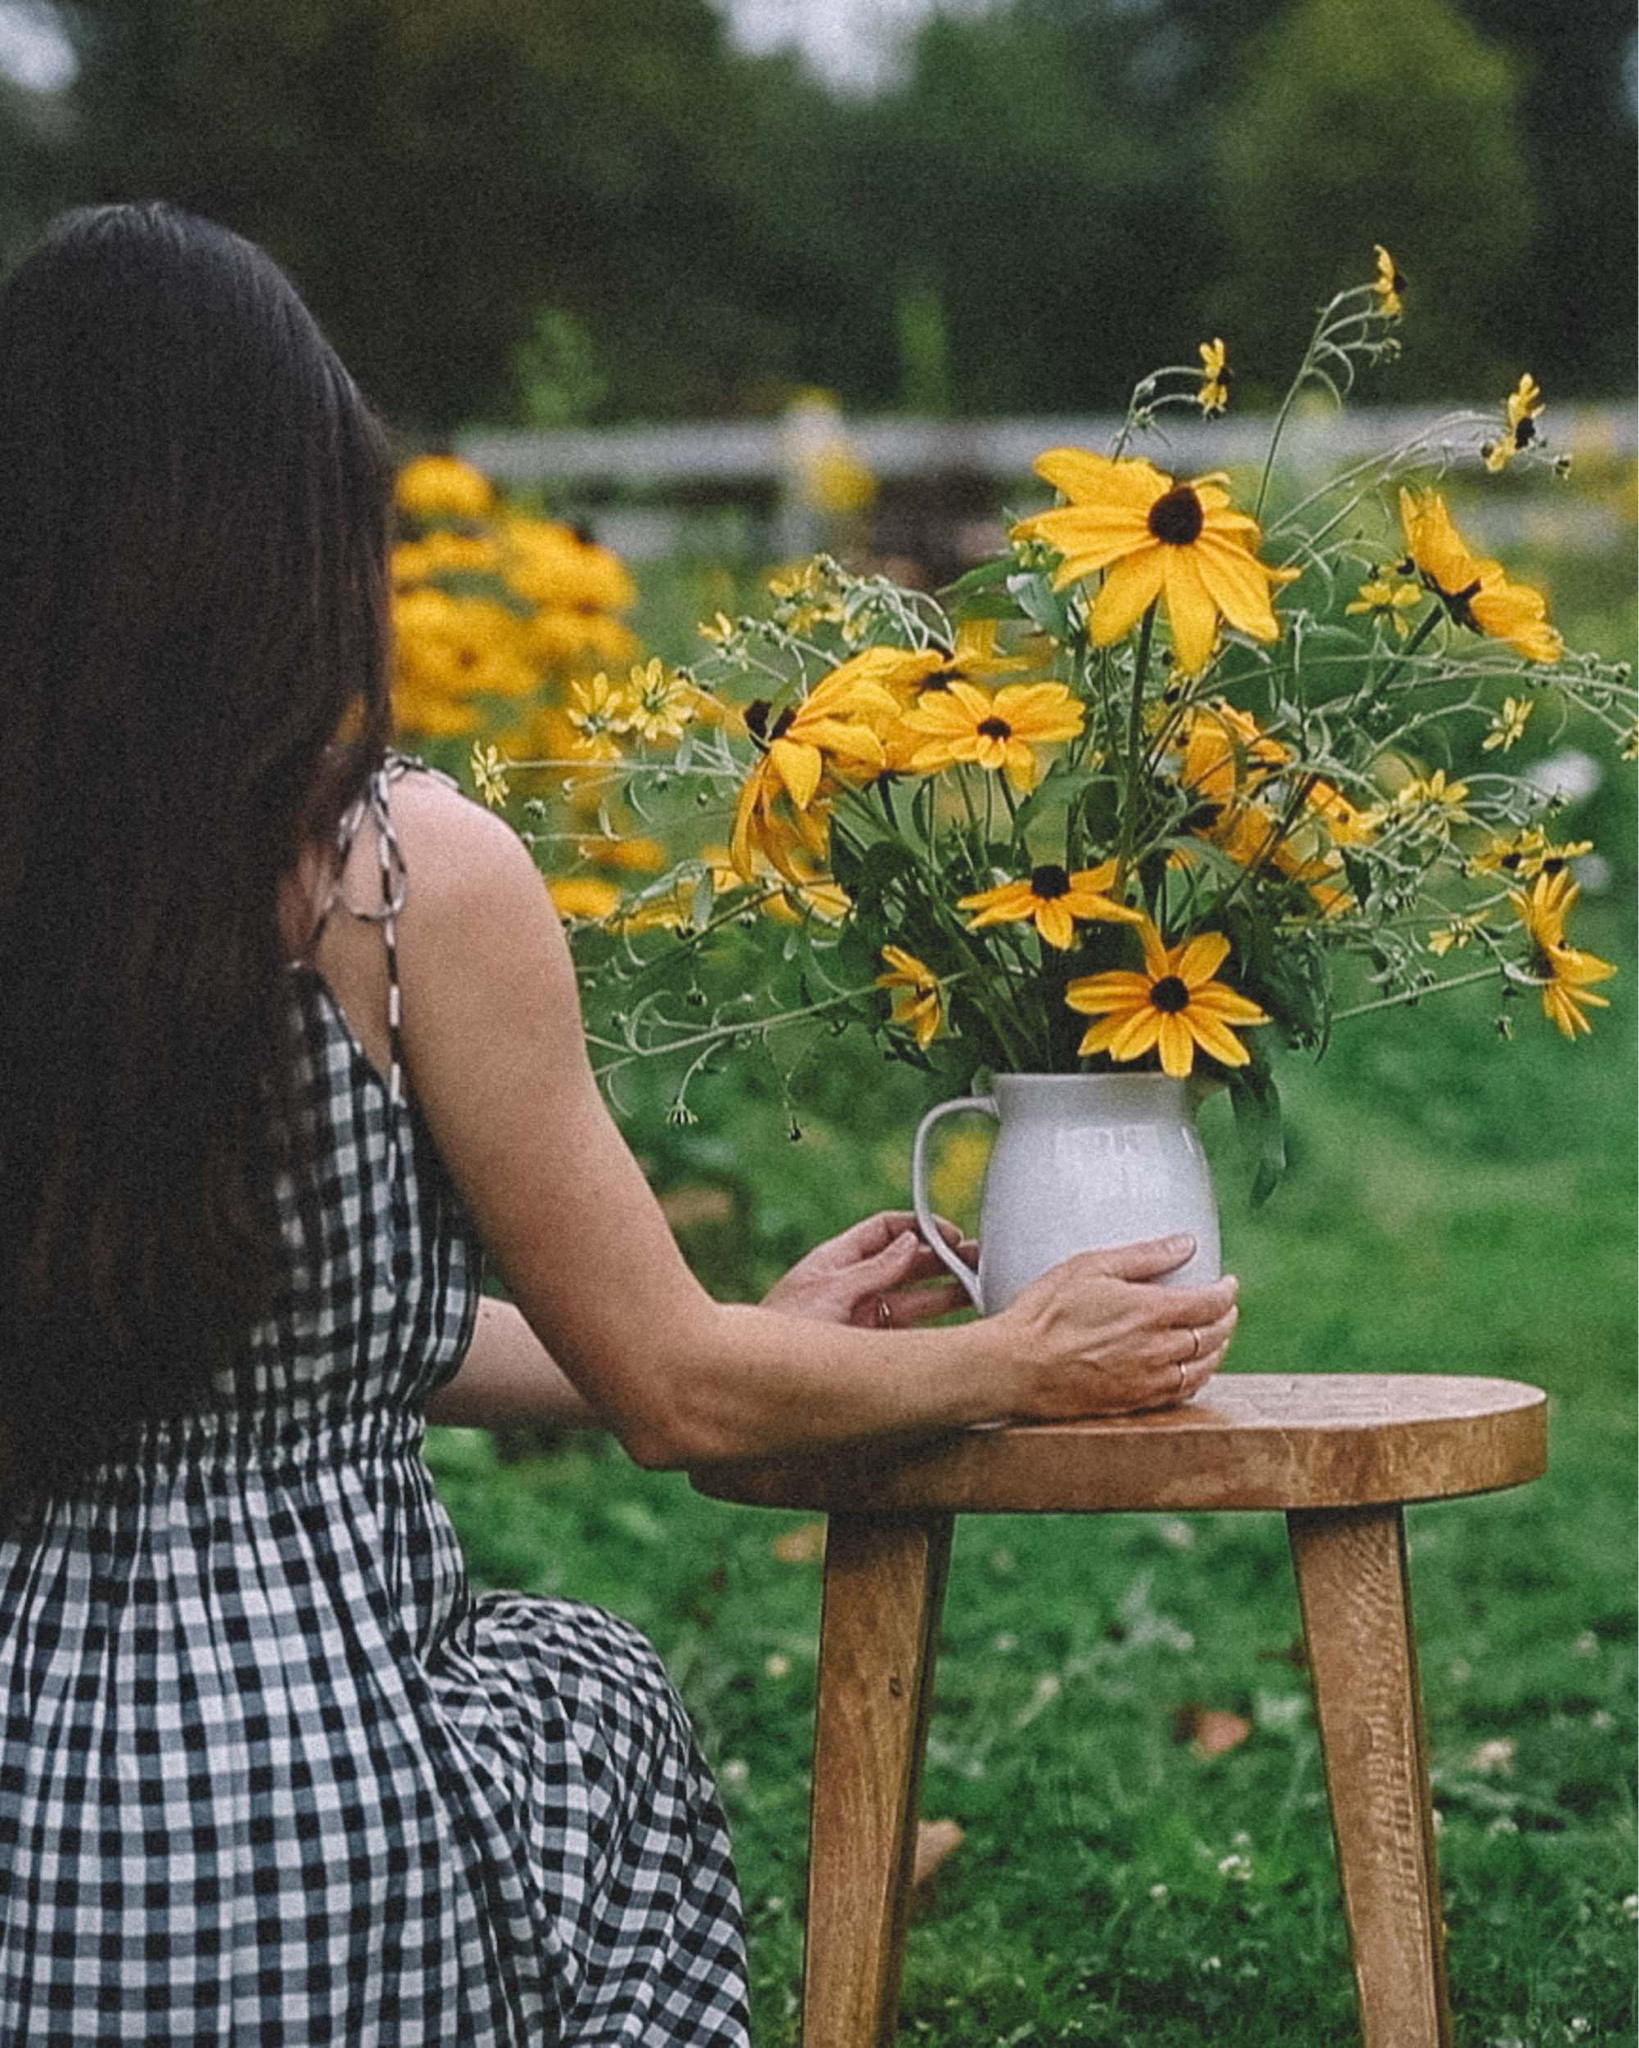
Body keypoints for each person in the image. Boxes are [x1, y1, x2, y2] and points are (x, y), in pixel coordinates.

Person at [0, 202, 1237, 2045]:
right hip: (305, 1807)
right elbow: (687, 1402)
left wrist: (708, 1341)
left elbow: (254, 1331)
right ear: (287, 529)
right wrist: (1014, 1354)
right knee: (585, 1700)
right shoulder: (399, 878)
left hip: (34, 1809)